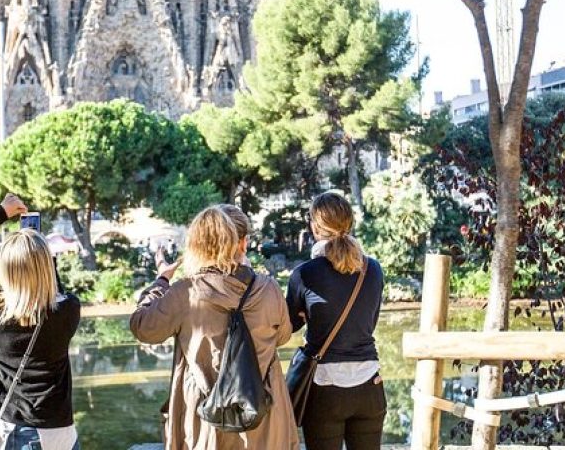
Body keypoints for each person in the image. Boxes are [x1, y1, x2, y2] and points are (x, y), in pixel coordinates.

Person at [130, 205, 299, 450]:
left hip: (205, 415)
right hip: (261, 411)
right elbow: (282, 336)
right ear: (243, 243)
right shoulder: (269, 289)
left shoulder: (187, 292)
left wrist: (161, 281)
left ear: (198, 245)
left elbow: (143, 327)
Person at [0, 193, 80, 450]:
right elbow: (54, 291)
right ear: (47, 266)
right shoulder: (67, 310)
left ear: (4, 269)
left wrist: (1, 212)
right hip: (54, 436)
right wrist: (41, 255)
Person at [285, 192, 386, 450]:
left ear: (315, 227)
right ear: (349, 223)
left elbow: (288, 327)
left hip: (325, 387)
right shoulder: (373, 269)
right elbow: (368, 322)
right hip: (369, 386)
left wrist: (308, 315)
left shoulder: (305, 274)